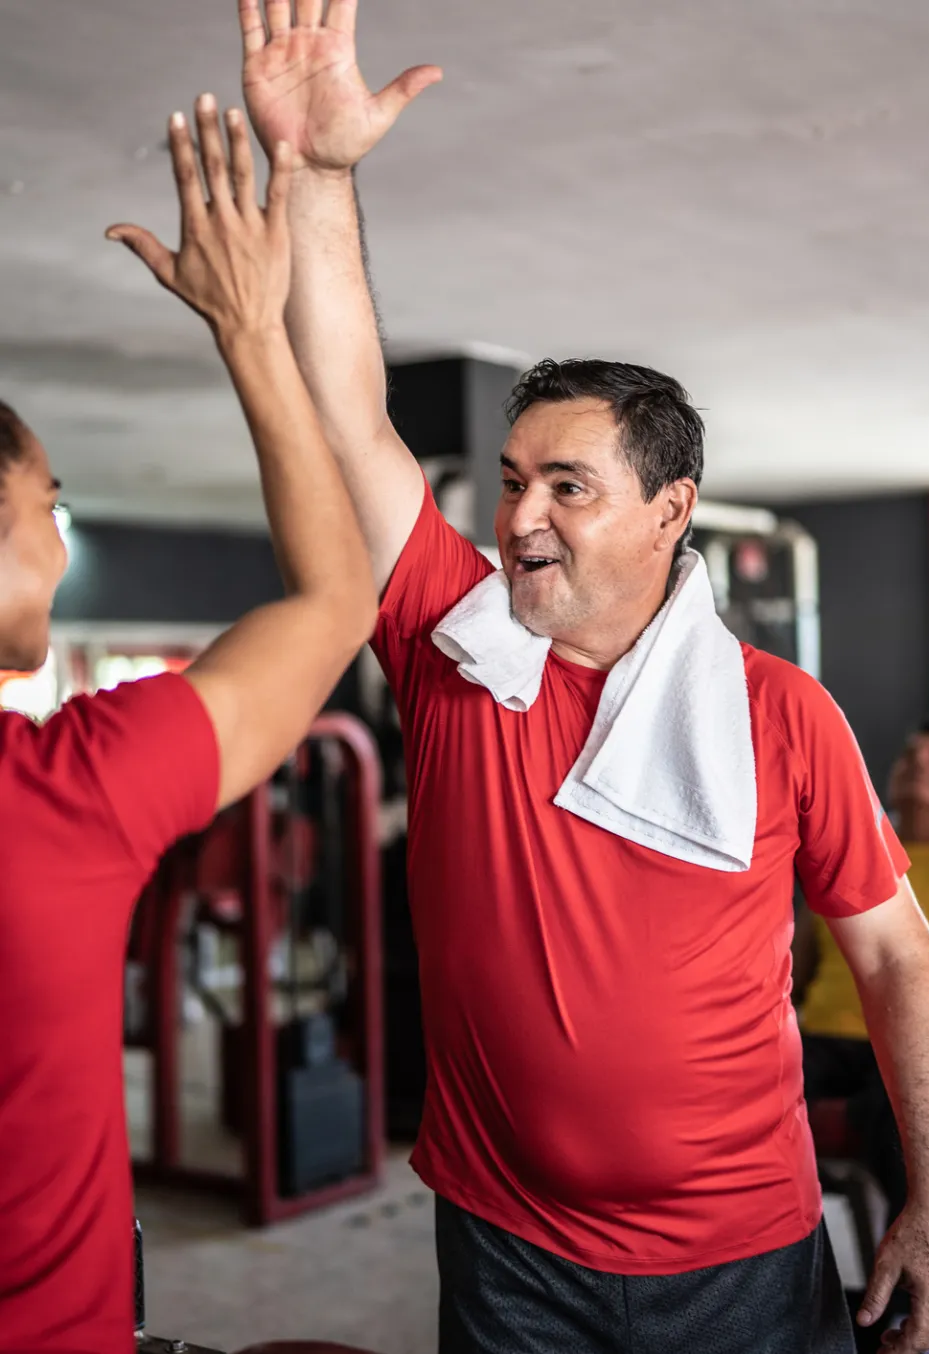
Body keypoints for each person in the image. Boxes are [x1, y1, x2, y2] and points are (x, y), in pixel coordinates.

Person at [238, 4, 929, 1350]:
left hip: (745, 1253)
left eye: (568, 486)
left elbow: (894, 957)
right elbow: (348, 401)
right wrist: (321, 175)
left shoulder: (778, 714)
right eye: (513, 481)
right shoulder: (454, 642)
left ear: (669, 508)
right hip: (509, 1251)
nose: (521, 519)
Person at [0, 98, 376, 1353]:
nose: (59, 540)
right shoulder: (65, 791)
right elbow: (333, 600)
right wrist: (250, 331)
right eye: (47, 506)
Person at [800, 720, 929, 1234]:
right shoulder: (844, 854)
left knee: (916, 1104)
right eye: (911, 755)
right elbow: (793, 967)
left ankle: (917, 1299)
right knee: (739, 1086)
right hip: (825, 1042)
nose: (918, 764)